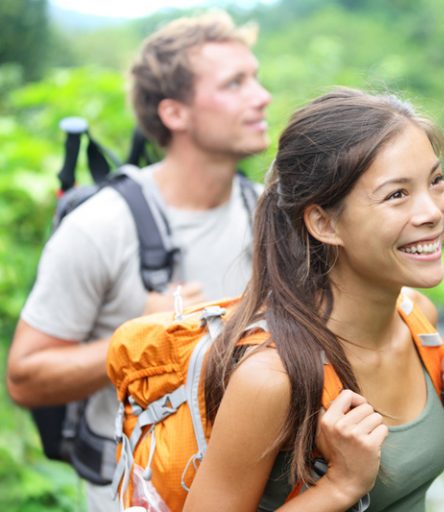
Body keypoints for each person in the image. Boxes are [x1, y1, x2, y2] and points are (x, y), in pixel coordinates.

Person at [185, 87, 444, 511]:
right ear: (324, 223)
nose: (432, 211)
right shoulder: (272, 380)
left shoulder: (417, 321)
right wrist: (339, 486)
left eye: (435, 181)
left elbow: (394, 477)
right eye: (396, 194)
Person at [5, 11, 271, 511]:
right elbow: (25, 377)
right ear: (175, 113)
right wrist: (143, 338)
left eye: (255, 77)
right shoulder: (102, 226)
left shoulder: (270, 215)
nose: (262, 96)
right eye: (235, 83)